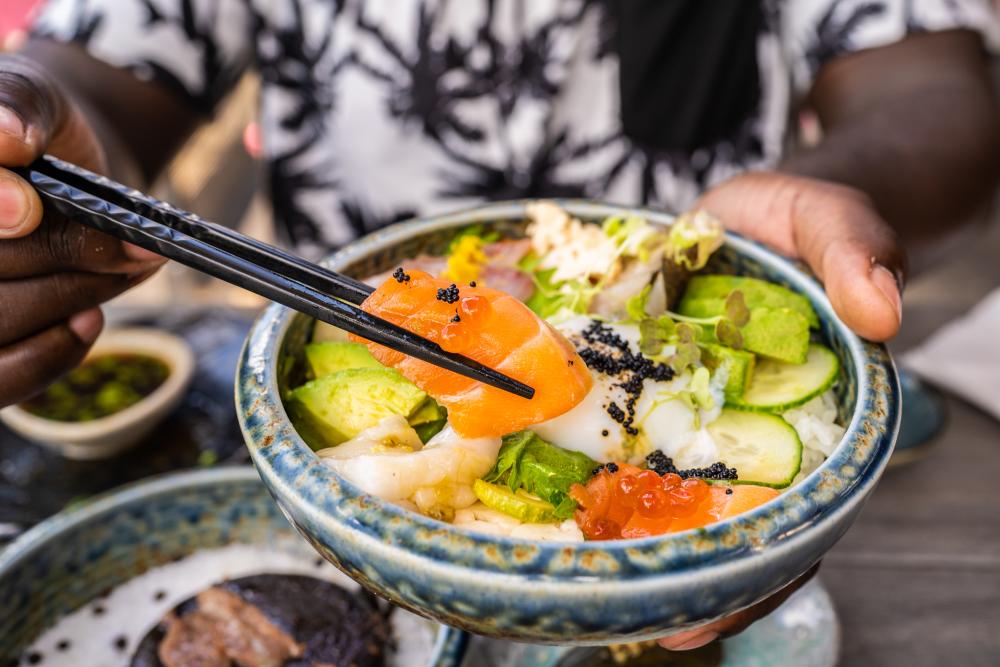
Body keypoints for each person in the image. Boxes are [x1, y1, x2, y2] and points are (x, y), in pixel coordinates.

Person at [0, 0, 997, 651]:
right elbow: (97, 69)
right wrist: (39, 137)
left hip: (684, 300)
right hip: (344, 364)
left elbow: (937, 89)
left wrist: (826, 198)